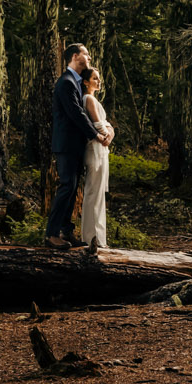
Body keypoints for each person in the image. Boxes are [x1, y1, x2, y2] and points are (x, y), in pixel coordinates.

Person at [46, 43, 107, 247]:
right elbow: (76, 114)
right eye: (85, 54)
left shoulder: (77, 83)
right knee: (67, 186)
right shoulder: (66, 82)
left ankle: (65, 232)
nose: (89, 57)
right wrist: (96, 135)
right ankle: (51, 234)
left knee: (72, 189)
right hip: (66, 144)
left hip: (76, 145)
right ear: (74, 56)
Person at [78, 67, 115, 251]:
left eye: (98, 78)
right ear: (85, 82)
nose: (98, 81)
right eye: (94, 78)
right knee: (93, 192)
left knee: (98, 194)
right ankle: (92, 238)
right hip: (94, 149)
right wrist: (108, 133)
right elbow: (98, 124)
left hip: (100, 148)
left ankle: (99, 237)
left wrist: (111, 131)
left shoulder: (93, 99)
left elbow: (107, 125)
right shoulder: (88, 99)